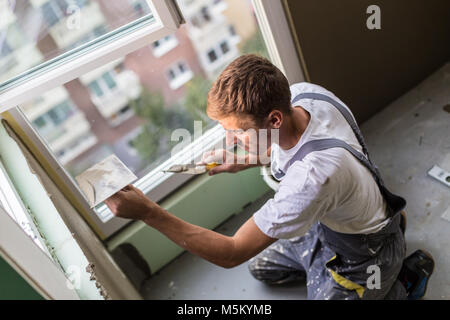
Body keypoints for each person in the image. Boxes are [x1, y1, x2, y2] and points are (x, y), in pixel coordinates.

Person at [105, 54, 434, 300]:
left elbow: (232, 251)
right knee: (262, 269)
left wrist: (147, 212)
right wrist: (240, 159)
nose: (230, 139)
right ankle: (391, 229)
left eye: (237, 132)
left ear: (274, 118)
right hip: (335, 218)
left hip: (364, 255)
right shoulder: (304, 96)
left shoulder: (311, 180)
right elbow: (290, 148)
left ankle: (401, 280)